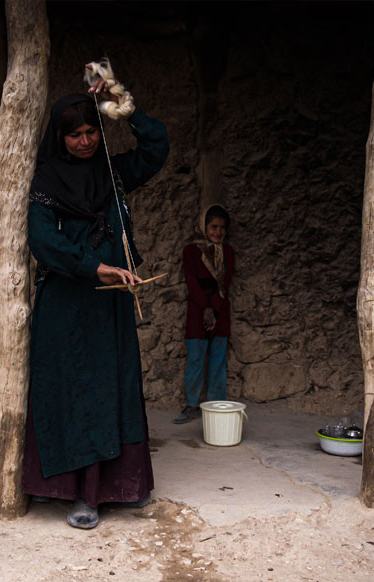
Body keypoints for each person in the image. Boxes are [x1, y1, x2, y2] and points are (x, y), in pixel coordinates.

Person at [22, 77, 169, 529]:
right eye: (75, 134)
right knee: (72, 389)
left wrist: (123, 108)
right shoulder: (45, 182)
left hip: (110, 306)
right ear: (60, 138)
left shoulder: (113, 170)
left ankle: (121, 486)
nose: (85, 141)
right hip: (66, 307)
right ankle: (78, 495)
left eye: (91, 131)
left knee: (114, 385)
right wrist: (93, 267)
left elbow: (156, 149)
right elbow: (43, 242)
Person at [173, 205, 235, 424]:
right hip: (197, 310)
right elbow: (192, 281)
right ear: (204, 227)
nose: (218, 232)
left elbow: (225, 283)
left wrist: (215, 310)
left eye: (222, 228)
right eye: (213, 227)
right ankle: (192, 405)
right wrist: (206, 309)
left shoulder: (227, 252)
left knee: (218, 360)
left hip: (220, 309)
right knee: (196, 359)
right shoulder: (191, 251)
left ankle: (215, 406)